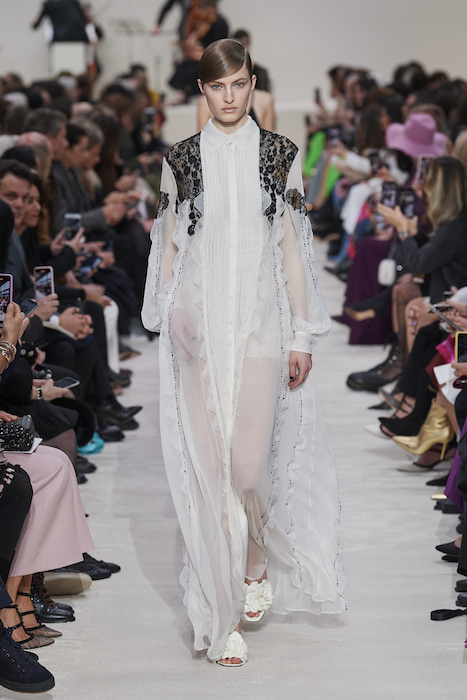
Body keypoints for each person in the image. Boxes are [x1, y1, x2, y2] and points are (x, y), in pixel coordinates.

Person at [142, 38, 345, 667]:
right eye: (217, 87)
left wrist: (301, 334)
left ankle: (256, 560)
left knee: (249, 472)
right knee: (210, 480)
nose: (228, 98)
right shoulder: (180, 160)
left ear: (252, 84)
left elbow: (293, 250)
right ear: (202, 91)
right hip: (200, 336)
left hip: (260, 331)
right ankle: (222, 614)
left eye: (239, 85)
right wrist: (171, 308)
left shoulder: (280, 155)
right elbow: (168, 246)